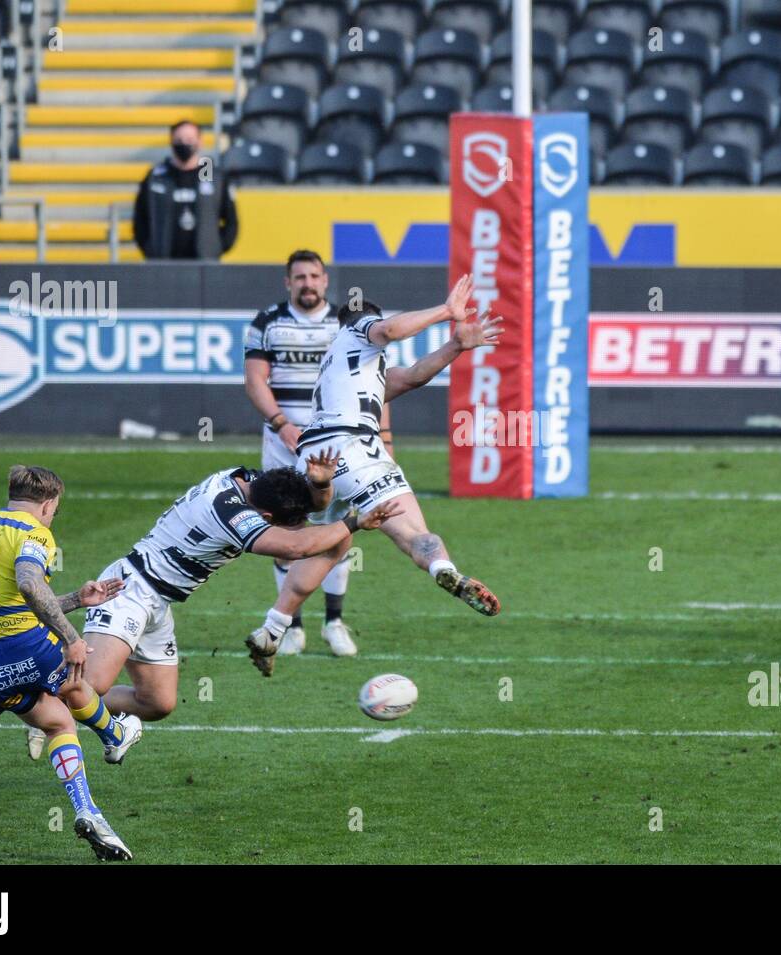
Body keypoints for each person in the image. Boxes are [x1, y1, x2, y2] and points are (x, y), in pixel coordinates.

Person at [245, 275, 504, 675]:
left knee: (328, 547)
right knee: (412, 533)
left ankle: (272, 628)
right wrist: (445, 312)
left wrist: (454, 346)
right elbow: (388, 329)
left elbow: (413, 376)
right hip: (354, 448)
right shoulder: (356, 330)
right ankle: (445, 571)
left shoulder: (347, 368)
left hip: (317, 460)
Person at [73, 455, 399, 721]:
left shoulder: (249, 482)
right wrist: (355, 523)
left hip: (158, 601)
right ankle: (49, 707)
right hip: (127, 590)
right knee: (92, 685)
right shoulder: (229, 513)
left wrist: (320, 483)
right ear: (266, 516)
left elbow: (312, 508)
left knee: (156, 703)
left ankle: (64, 706)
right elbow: (295, 548)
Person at [0, 466, 142, 861]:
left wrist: (76, 598)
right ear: (48, 504)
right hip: (27, 646)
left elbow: (14, 602)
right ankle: (113, 734)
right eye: (54, 510)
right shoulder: (34, 532)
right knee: (76, 676)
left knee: (59, 721)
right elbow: (28, 582)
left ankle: (88, 810)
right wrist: (74, 638)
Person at [243, 249, 394, 656]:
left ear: (325, 281)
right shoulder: (267, 322)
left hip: (342, 446)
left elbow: (376, 384)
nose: (307, 283)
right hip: (283, 444)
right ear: (287, 283)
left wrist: (385, 439)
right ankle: (291, 625)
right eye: (299, 277)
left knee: (340, 529)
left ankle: (334, 621)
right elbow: (256, 380)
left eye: (314, 276)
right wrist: (282, 424)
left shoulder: (347, 324)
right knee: (288, 532)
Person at [133, 119, 237, 260]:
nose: (184, 144)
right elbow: (140, 220)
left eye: (189, 139)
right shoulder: (156, 177)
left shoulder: (215, 177)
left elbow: (231, 221)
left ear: (200, 142)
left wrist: (216, 248)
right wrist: (151, 249)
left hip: (204, 266)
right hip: (164, 264)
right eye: (179, 139)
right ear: (171, 142)